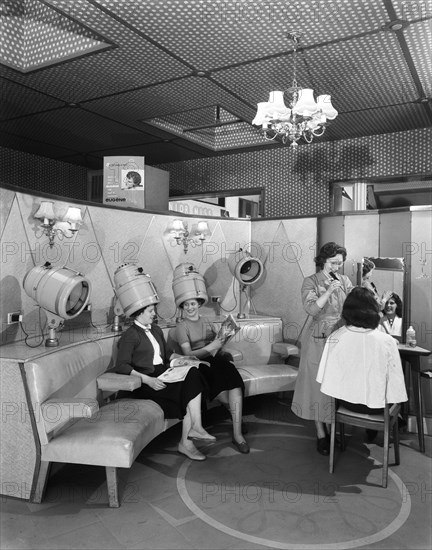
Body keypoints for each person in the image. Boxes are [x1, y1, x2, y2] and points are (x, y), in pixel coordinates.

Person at [115, 303, 215, 461]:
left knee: (194, 373)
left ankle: (195, 428)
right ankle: (187, 442)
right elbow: (121, 365)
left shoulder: (155, 329)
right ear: (139, 313)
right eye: (150, 311)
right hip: (145, 382)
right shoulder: (131, 335)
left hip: (162, 373)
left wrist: (185, 359)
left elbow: (168, 355)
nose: (154, 313)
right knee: (188, 390)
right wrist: (148, 380)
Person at [316, 286, 407, 439]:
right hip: (377, 408)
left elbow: (324, 378)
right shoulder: (387, 341)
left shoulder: (335, 337)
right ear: (373, 310)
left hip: (345, 403)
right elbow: (396, 387)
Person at [291, 241, 353, 456]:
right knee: (318, 386)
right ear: (323, 262)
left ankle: (335, 427)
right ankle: (321, 432)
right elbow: (310, 309)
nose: (337, 267)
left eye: (340, 263)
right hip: (318, 336)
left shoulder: (345, 280)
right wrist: (328, 291)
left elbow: (353, 303)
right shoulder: (310, 281)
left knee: (338, 384)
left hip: (342, 333)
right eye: (334, 263)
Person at [174, 297, 249, 454]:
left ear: (199, 305)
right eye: (186, 304)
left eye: (193, 304)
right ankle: (236, 418)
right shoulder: (182, 326)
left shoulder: (206, 321)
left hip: (216, 359)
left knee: (234, 382)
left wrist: (222, 339)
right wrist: (211, 346)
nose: (189, 307)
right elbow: (188, 354)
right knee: (222, 387)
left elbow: (217, 342)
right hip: (199, 364)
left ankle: (238, 435)